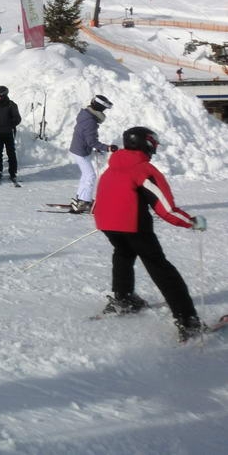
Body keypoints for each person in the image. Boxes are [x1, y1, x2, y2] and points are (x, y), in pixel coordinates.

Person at [93, 126, 207, 342]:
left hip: (106, 223)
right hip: (133, 225)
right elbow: (166, 208)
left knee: (123, 253)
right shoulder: (144, 170)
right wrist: (191, 222)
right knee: (160, 266)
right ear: (147, 144)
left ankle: (123, 298)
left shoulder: (113, 166)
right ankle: (187, 320)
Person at [69, 94, 118, 213]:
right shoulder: (90, 121)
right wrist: (108, 148)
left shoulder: (86, 115)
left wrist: (95, 146)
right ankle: (84, 202)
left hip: (79, 149)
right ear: (100, 108)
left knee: (86, 175)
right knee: (90, 175)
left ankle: (81, 198)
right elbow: (91, 141)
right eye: (104, 108)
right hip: (81, 151)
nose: (105, 111)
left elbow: (88, 139)